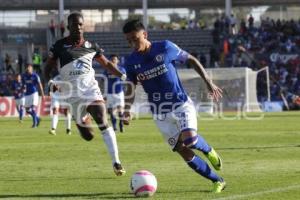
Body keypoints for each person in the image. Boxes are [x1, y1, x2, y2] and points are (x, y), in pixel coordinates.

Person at [122, 19, 226, 193]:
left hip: (180, 104)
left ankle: (208, 150)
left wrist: (209, 82)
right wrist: (126, 110)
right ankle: (218, 181)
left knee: (190, 140)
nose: (132, 43)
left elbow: (191, 59)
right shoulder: (131, 61)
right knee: (182, 150)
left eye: (134, 38)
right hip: (160, 114)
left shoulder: (165, 47)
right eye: (128, 41)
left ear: (145, 34)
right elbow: (130, 86)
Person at [44, 12, 126, 176]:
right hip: (72, 95)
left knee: (102, 119)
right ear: (68, 27)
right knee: (88, 136)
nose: (78, 28)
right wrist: (51, 83)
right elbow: (47, 69)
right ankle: (81, 120)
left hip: (91, 90)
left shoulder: (91, 46)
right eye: (75, 25)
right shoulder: (59, 46)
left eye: (81, 25)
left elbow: (107, 64)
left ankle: (116, 162)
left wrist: (122, 75)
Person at [104, 55, 126, 132]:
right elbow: (103, 80)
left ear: (117, 61)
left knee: (120, 110)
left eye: (115, 59)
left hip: (119, 92)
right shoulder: (107, 70)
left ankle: (121, 124)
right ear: (110, 61)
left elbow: (125, 79)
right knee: (111, 111)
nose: (113, 61)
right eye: (112, 59)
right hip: (110, 93)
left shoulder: (121, 69)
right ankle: (114, 126)